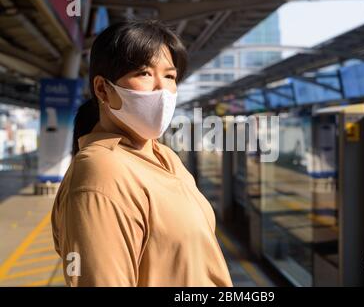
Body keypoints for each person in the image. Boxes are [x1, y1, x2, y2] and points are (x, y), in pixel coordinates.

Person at [51, 20, 233, 287]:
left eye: (170, 76)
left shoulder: (165, 156)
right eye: (144, 74)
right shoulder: (101, 173)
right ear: (103, 89)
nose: (162, 90)